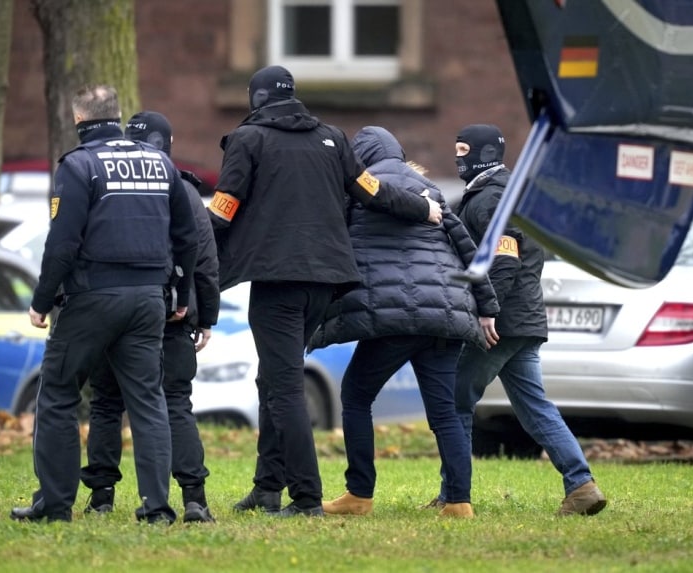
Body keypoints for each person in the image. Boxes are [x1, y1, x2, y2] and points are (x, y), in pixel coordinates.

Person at [209, 65, 442, 518]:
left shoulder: (248, 140)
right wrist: (422, 207)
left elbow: (224, 208)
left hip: (277, 282)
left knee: (284, 387)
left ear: (256, 99)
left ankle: (305, 497)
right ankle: (267, 486)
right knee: (273, 379)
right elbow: (372, 191)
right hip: (326, 282)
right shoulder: (331, 138)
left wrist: (185, 243)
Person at [11, 85, 198, 524]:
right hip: (149, 299)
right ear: (117, 115)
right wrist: (181, 293)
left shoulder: (78, 165)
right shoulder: (161, 164)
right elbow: (187, 237)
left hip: (92, 297)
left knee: (58, 392)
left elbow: (62, 243)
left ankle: (54, 504)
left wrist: (41, 301)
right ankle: (157, 508)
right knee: (148, 400)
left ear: (79, 119)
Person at [309, 126, 500, 518]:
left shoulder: (359, 190)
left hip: (393, 315)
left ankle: (359, 494)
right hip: (445, 313)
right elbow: (468, 250)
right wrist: (487, 308)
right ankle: (459, 502)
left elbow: (334, 245)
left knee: (356, 396)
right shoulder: (430, 190)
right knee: (444, 411)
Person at [430, 124, 607, 516]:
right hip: (522, 321)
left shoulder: (493, 197)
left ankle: (453, 496)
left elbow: (505, 259)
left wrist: (487, 311)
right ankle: (581, 485)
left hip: (501, 323)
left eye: (464, 151)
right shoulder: (509, 192)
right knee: (534, 406)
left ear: (484, 153)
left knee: (454, 400)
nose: (457, 158)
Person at [80, 111, 221, 524]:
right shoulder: (185, 191)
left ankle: (101, 498)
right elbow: (205, 262)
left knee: (106, 403)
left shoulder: (107, 183)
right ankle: (194, 499)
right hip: (172, 314)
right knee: (175, 402)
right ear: (169, 143)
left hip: (113, 311)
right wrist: (206, 317)